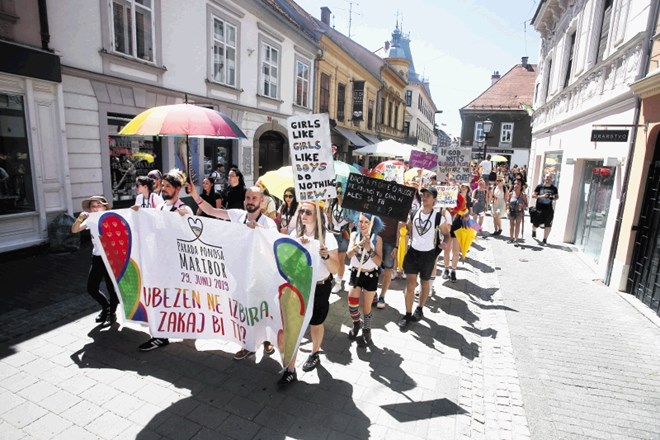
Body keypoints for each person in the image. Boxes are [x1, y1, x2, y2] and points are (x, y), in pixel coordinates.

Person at [189, 182, 277, 360]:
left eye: (255, 198)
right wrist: (195, 196)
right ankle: (248, 345)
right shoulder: (238, 215)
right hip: (239, 275)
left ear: (262, 201)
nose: (251, 201)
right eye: (248, 198)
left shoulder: (268, 224)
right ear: (244, 201)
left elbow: (274, 245)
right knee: (242, 310)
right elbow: (212, 211)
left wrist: (260, 232)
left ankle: (266, 339)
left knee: (262, 310)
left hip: (261, 277)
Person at [279, 201, 339, 386]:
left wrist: (326, 256)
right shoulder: (294, 235)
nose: (303, 215)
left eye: (308, 212)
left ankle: (314, 353)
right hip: (298, 286)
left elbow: (336, 269)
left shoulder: (328, 239)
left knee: (316, 324)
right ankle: (290, 369)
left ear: (317, 216)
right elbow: (285, 264)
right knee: (294, 327)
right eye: (301, 211)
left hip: (320, 286)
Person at [136, 169, 194, 352]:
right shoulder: (160, 208)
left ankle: (183, 327)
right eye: (163, 186)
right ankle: (160, 336)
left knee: (176, 298)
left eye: (168, 186)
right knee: (158, 298)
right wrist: (139, 214)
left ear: (178, 189)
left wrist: (185, 220)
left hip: (176, 264)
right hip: (159, 262)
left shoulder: (185, 209)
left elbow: (193, 236)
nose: (164, 189)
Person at [398, 187, 445, 330]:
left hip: (428, 254)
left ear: (434, 199)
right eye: (424, 195)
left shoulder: (438, 217)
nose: (425, 198)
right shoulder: (413, 213)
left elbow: (447, 234)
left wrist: (445, 243)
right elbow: (410, 230)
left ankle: (420, 308)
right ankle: (407, 314)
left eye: (428, 196)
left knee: (425, 283)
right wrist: (404, 225)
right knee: (410, 284)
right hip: (413, 253)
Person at [71, 195, 120, 326]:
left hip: (111, 258)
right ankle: (106, 306)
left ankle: (112, 312)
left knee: (112, 288)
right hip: (97, 258)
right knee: (91, 288)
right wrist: (80, 218)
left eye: (99, 205)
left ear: (104, 206)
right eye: (93, 206)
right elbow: (75, 230)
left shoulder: (112, 218)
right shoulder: (90, 219)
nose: (96, 208)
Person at [345, 213, 383, 344]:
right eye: (361, 221)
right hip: (356, 273)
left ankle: (367, 329)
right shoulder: (354, 235)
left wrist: (370, 250)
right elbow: (349, 254)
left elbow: (378, 262)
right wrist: (359, 245)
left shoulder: (377, 239)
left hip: (371, 276)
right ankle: (357, 323)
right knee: (352, 304)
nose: (363, 224)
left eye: (367, 222)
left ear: (373, 223)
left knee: (366, 308)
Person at [327, 183, 352, 293]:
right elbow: (329, 220)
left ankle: (339, 282)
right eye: (337, 192)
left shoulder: (348, 208)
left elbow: (351, 221)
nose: (339, 195)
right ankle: (333, 277)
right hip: (333, 233)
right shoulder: (332, 205)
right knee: (331, 257)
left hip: (342, 235)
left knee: (341, 260)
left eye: (341, 193)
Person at [374, 215, 401, 309]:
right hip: (376, 239)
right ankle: (373, 292)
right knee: (373, 268)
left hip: (390, 243)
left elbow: (399, 228)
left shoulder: (399, 206)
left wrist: (397, 246)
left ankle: (382, 296)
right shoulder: (379, 202)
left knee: (388, 269)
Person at [531, 174, 559, 246]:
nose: (548, 179)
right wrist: (542, 196)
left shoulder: (554, 188)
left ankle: (545, 239)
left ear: (552, 179)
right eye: (547, 177)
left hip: (549, 209)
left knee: (548, 224)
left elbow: (557, 196)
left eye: (550, 178)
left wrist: (553, 197)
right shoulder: (539, 187)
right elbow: (533, 195)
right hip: (539, 209)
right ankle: (534, 230)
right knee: (536, 224)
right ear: (544, 178)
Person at [506, 181, 528, 246]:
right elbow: (507, 202)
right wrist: (508, 205)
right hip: (512, 211)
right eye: (515, 184)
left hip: (519, 212)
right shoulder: (510, 194)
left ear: (520, 186)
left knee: (517, 225)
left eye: (518, 184)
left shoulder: (523, 194)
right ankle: (511, 239)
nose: (516, 185)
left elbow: (526, 204)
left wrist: (522, 206)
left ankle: (516, 240)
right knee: (511, 225)